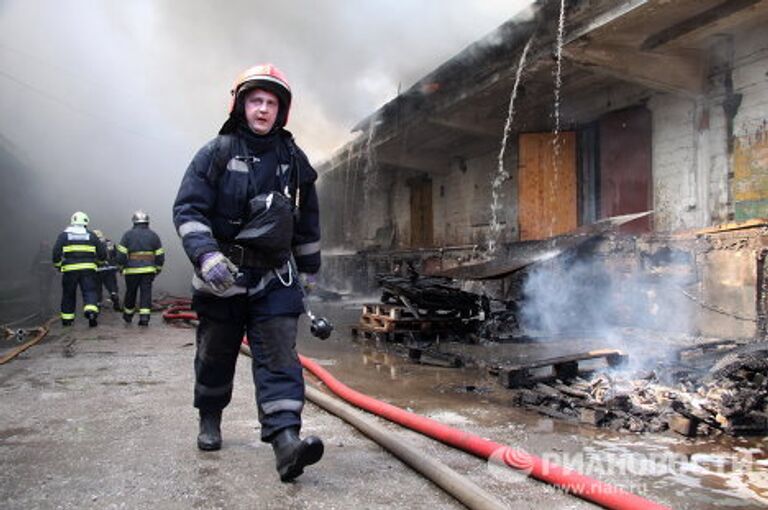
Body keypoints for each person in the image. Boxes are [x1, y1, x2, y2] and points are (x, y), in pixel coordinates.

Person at [172, 63, 323, 482]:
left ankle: (285, 442)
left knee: (279, 357)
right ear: (240, 105)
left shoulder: (294, 161)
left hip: (275, 277)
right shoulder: (216, 153)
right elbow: (188, 210)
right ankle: (209, 417)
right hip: (223, 274)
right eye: (255, 100)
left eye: (271, 103)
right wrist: (206, 256)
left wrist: (309, 270)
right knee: (216, 352)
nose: (262, 110)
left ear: (282, 111)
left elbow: (308, 221)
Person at [52, 211, 106, 327]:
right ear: (86, 222)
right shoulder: (92, 235)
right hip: (88, 269)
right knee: (90, 291)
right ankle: (91, 313)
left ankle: (67, 320)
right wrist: (100, 262)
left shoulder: (64, 235)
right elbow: (102, 253)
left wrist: (58, 264)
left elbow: (56, 253)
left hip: (69, 270)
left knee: (68, 294)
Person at [116, 211, 164, 326]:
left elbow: (121, 255)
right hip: (148, 270)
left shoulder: (128, 235)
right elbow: (160, 255)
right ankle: (144, 318)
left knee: (131, 292)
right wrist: (158, 268)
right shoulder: (154, 235)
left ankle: (128, 315)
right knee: (146, 293)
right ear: (147, 222)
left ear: (134, 222)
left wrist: (121, 267)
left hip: (131, 270)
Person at [93, 229, 121, 311]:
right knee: (112, 286)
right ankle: (114, 296)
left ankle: (97, 305)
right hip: (110, 269)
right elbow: (118, 254)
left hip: (97, 270)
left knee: (97, 288)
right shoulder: (110, 242)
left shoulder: (92, 244)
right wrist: (117, 265)